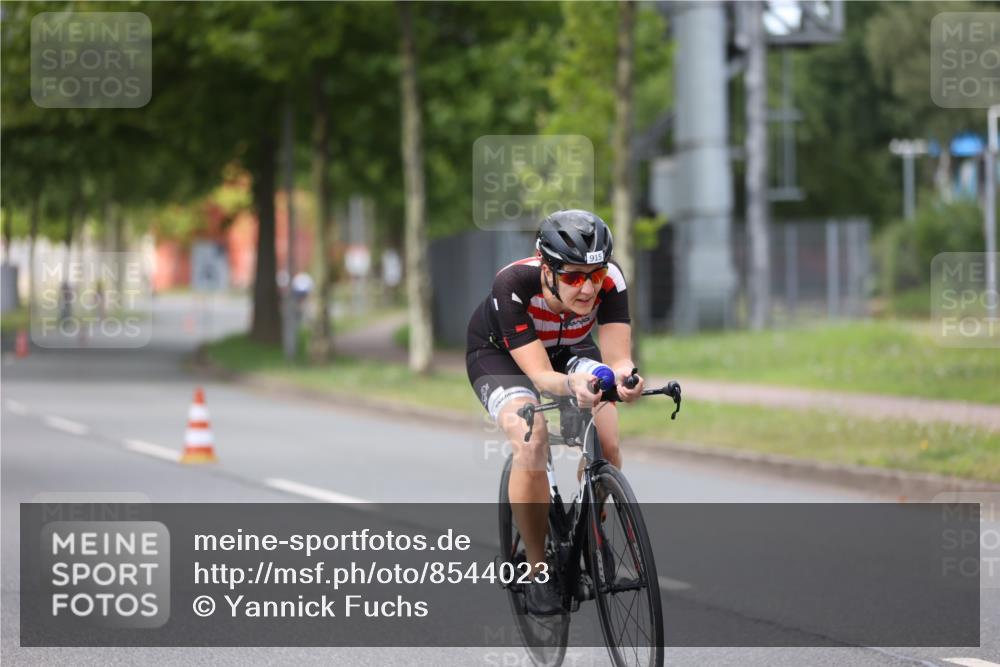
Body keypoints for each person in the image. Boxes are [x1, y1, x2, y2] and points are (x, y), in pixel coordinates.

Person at [465, 209, 644, 614]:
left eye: (594, 276)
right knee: (533, 438)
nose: (586, 289)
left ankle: (592, 538)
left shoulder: (611, 281)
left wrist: (628, 380)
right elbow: (542, 377)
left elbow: (618, 360)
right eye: (573, 276)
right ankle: (536, 568)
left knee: (609, 444)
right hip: (503, 355)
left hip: (570, 348)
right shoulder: (512, 284)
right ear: (545, 268)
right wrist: (573, 386)